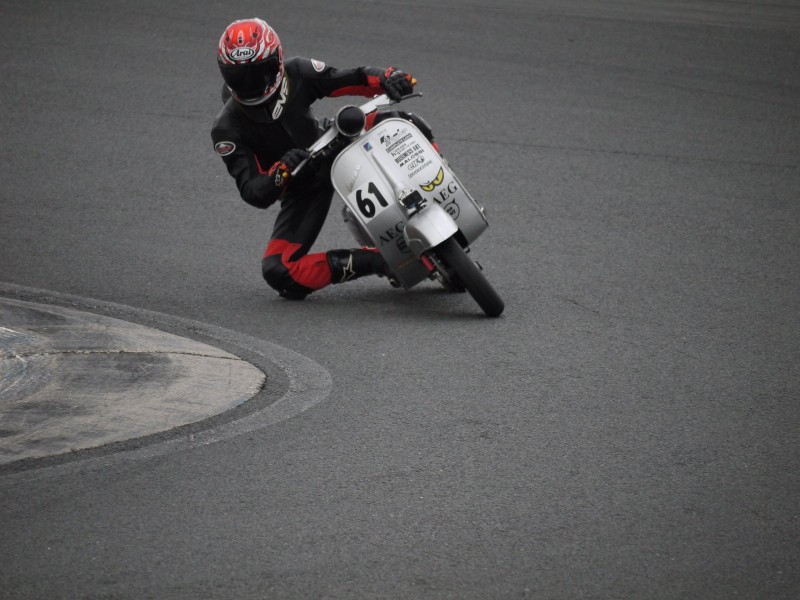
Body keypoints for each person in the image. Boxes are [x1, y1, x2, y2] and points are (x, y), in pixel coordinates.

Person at [211, 18, 429, 300]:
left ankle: (438, 189)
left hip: (334, 142)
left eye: (259, 73)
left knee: (403, 122)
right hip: (301, 185)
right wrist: (281, 171)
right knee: (279, 270)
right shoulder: (226, 129)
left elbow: (351, 77)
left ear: (277, 60)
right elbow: (252, 190)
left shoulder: (296, 71)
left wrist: (388, 77)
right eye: (239, 77)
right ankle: (379, 261)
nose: (251, 85)